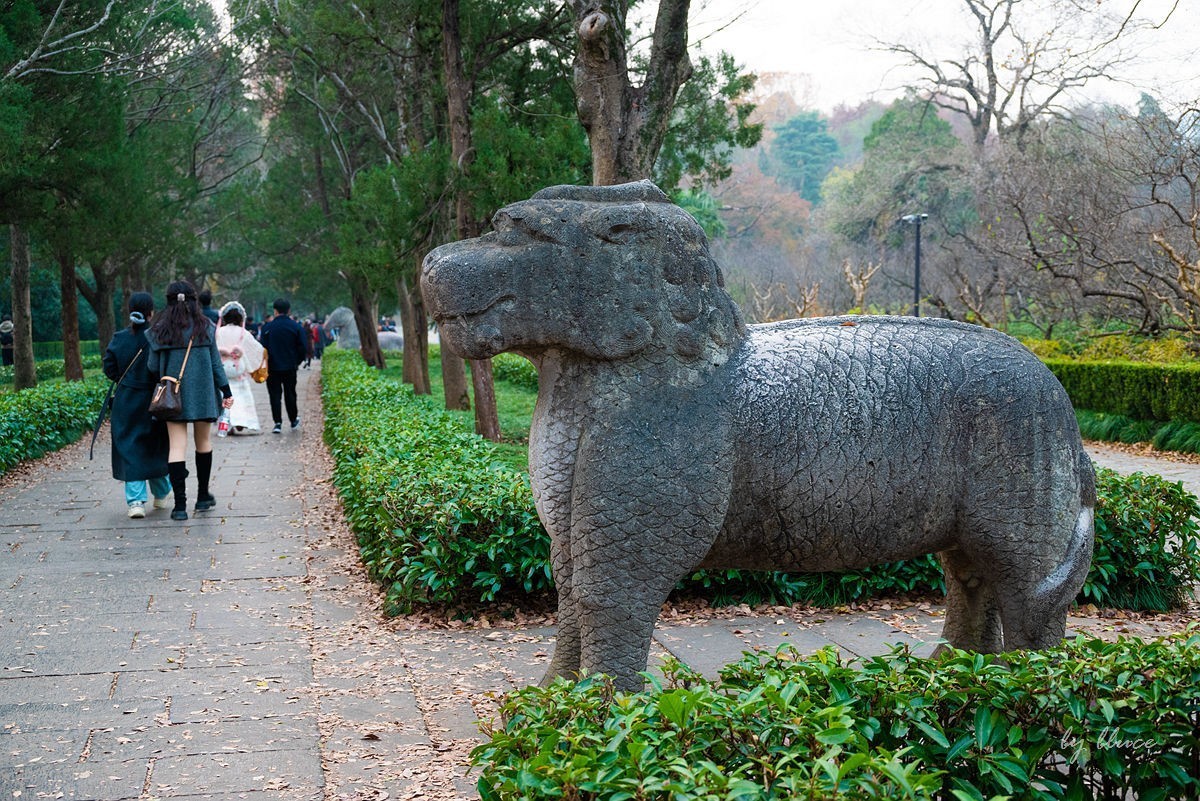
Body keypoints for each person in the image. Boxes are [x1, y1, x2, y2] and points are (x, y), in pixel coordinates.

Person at [145, 280, 234, 521]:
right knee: (203, 442)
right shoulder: (204, 326)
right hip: (204, 394)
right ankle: (203, 497)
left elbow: (152, 367)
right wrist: (226, 392)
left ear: (169, 300)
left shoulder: (160, 329)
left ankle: (180, 507)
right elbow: (216, 363)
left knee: (176, 446)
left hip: (173, 395)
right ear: (193, 300)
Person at [101, 293, 171, 518]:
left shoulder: (119, 338)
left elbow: (109, 368)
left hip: (126, 400)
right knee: (155, 446)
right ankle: (161, 495)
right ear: (151, 312)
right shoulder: (158, 337)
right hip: (155, 400)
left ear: (130, 309)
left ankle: (135, 503)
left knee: (129, 448)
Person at [258, 298, 308, 434]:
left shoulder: (267, 328)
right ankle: (293, 420)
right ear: (289, 310)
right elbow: (303, 347)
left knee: (275, 395)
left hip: (272, 367)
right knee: (290, 393)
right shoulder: (296, 327)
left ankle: (277, 422)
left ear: (275, 311)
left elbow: (262, 347)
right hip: (290, 366)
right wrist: (297, 361)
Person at [215, 301, 264, 434]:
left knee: (225, 397)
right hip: (238, 369)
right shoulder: (244, 333)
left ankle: (228, 423)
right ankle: (242, 420)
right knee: (242, 396)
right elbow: (256, 349)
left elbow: (213, 350)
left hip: (223, 368)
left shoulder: (219, 332)